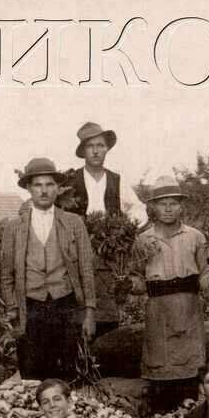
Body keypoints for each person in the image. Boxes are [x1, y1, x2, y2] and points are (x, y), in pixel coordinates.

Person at [1, 157, 98, 381]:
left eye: (49, 184)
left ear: (57, 188)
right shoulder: (14, 227)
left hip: (65, 305)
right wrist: (12, 308)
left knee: (66, 373)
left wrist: (90, 312)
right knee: (31, 373)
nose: (44, 191)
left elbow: (86, 269)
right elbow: (6, 274)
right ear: (28, 188)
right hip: (30, 308)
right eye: (38, 185)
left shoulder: (73, 222)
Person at [125, 176, 209, 418]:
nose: (167, 209)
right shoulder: (143, 239)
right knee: (160, 366)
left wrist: (208, 282)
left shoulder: (195, 236)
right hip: (158, 309)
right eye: (162, 203)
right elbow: (137, 278)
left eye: (173, 203)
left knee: (189, 368)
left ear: (181, 206)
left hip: (188, 306)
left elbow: (206, 270)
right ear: (152, 207)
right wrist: (128, 284)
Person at [63, 122, 148, 339]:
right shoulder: (70, 180)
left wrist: (122, 228)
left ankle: (105, 350)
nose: (96, 150)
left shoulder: (116, 180)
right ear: (83, 151)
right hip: (76, 250)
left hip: (109, 253)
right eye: (90, 146)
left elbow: (139, 209)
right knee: (76, 306)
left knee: (107, 307)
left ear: (107, 148)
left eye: (100, 145)